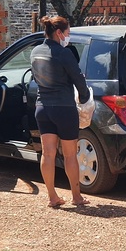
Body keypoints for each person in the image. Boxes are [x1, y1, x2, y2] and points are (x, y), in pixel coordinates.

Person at [31, 15, 91, 207]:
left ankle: (52, 197)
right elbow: (78, 79)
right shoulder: (64, 53)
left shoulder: (35, 52)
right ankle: (76, 196)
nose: (68, 36)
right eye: (68, 32)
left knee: (47, 154)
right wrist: (84, 99)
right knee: (70, 155)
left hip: (42, 107)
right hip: (64, 108)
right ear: (59, 33)